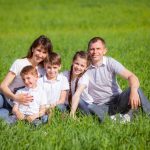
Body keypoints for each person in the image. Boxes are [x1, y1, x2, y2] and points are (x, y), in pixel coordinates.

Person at [83, 36, 150, 122]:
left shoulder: (110, 62)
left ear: (104, 51)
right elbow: (72, 76)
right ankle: (120, 119)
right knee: (90, 107)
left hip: (117, 101)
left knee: (136, 89)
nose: (95, 52)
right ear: (88, 51)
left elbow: (132, 76)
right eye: (92, 49)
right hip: (101, 106)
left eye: (98, 48)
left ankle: (148, 114)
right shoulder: (84, 66)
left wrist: (133, 91)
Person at [0, 35, 53, 121]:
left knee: (2, 118)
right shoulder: (20, 63)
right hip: (5, 97)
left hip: (17, 108)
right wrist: (15, 98)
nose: (40, 55)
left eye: (44, 52)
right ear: (33, 49)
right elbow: (3, 86)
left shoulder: (43, 70)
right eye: (38, 50)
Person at [63, 51, 92, 117]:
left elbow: (77, 95)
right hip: (69, 104)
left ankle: (73, 115)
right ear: (72, 62)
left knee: (79, 101)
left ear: (86, 68)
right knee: (59, 107)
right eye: (77, 63)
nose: (78, 67)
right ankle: (66, 114)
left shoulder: (84, 77)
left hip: (84, 105)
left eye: (82, 66)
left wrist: (72, 113)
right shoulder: (64, 75)